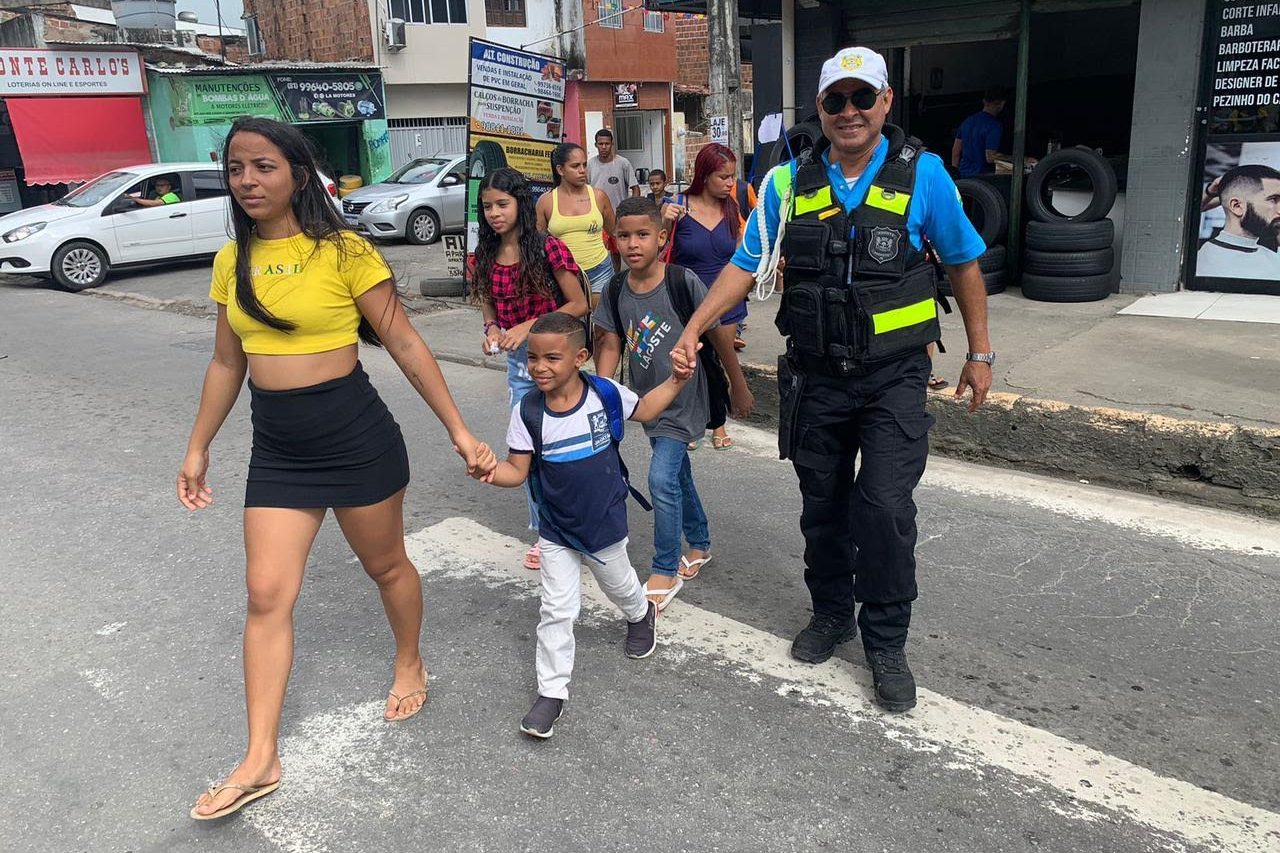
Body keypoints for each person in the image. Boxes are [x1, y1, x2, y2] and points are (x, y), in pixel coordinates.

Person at [179, 117, 496, 820]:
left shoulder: (344, 250)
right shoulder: (233, 261)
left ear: (296, 171)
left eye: (263, 166)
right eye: (236, 169)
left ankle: (408, 657)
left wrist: (459, 429)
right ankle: (260, 753)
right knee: (265, 592)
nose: (249, 181)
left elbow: (407, 344)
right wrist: (200, 443)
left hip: (356, 437)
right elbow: (228, 362)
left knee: (386, 568)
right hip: (279, 451)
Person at [674, 47, 993, 713]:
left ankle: (884, 639)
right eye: (835, 100)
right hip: (816, 377)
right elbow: (743, 262)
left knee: (882, 507)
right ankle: (831, 613)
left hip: (893, 378)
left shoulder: (924, 176)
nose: (848, 111)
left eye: (861, 97)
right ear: (819, 110)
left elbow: (963, 264)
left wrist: (979, 352)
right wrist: (694, 325)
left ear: (885, 103)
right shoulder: (789, 182)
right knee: (822, 505)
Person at [472, 311, 696, 738]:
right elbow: (516, 472)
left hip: (605, 522)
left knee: (619, 584)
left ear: (580, 358)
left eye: (552, 358)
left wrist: (677, 380)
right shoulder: (528, 412)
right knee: (557, 608)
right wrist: (488, 471)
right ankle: (551, 693)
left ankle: (640, 613)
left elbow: (646, 408)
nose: (539, 367)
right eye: (533, 358)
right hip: (556, 528)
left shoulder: (604, 394)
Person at [595, 197, 734, 608]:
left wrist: (738, 385)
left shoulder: (682, 281)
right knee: (676, 474)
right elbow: (610, 340)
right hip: (647, 402)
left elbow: (720, 329)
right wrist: (603, 389)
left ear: (661, 237)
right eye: (623, 235)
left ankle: (664, 568)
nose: (632, 244)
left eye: (642, 235)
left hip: (684, 399)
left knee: (660, 479)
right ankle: (701, 542)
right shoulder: (616, 288)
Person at [473, 167, 589, 571]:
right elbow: (488, 302)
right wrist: (491, 328)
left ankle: (582, 523)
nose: (494, 213)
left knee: (569, 451)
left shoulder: (548, 248)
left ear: (520, 204)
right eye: (487, 206)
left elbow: (579, 304)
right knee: (528, 454)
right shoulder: (484, 255)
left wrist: (528, 326)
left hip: (558, 362)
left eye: (502, 204)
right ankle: (547, 532)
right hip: (518, 370)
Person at [659, 143, 755, 454]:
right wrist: (664, 222)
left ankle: (720, 422)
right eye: (723, 177)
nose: (730, 183)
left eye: (732, 176)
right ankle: (697, 419)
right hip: (688, 301)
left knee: (720, 362)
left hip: (726, 297)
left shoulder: (731, 207)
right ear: (704, 175)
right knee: (694, 365)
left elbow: (741, 250)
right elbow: (656, 251)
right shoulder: (677, 205)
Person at [538, 143, 616, 307]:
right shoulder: (546, 202)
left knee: (601, 327)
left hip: (600, 269)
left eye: (584, 165)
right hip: (564, 274)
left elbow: (616, 231)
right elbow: (538, 244)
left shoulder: (599, 196)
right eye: (575, 166)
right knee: (570, 327)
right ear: (560, 170)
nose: (582, 170)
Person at [1196, 164, 1280, 280]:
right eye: (1273, 200)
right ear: (1236, 206)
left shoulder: (1273, 256)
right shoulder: (1203, 265)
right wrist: (1211, 192)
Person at [952, 88, 1007, 178]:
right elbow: (990, 157)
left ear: (984, 101)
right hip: (983, 179)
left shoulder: (967, 121)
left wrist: (954, 174)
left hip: (963, 176)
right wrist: (1018, 159)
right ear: (1002, 104)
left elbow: (956, 152)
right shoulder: (994, 125)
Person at [588, 128, 639, 209]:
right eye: (600, 144)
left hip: (619, 213)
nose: (604, 147)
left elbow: (635, 188)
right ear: (595, 145)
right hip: (598, 214)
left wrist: (630, 208)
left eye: (607, 144)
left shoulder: (623, 163)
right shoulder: (590, 164)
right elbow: (584, 190)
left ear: (612, 144)